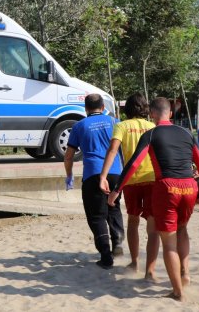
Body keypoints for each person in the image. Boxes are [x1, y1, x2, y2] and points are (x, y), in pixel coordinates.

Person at [108, 97, 199, 301]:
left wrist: (117, 188)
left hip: (167, 187)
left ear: (153, 114)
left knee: (169, 242)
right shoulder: (186, 133)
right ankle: (185, 273)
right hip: (189, 187)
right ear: (170, 114)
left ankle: (178, 292)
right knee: (182, 229)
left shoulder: (151, 134)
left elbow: (135, 163)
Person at [99, 93, 159, 280]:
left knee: (133, 222)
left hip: (131, 180)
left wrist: (103, 176)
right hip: (152, 178)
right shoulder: (152, 127)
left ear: (127, 109)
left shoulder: (121, 126)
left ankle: (134, 262)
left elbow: (113, 150)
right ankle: (150, 270)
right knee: (152, 225)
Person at [64, 93, 124, 270]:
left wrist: (69, 176)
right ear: (103, 108)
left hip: (93, 174)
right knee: (114, 207)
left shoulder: (79, 126)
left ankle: (106, 256)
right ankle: (118, 243)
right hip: (115, 173)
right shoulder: (115, 122)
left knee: (96, 216)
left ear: (86, 109)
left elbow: (69, 156)